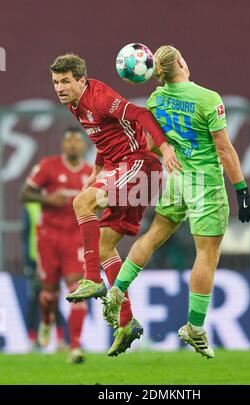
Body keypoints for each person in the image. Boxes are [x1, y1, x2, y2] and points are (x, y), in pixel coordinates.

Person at [102, 45, 250, 359]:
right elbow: (224, 150)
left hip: (176, 180)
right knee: (206, 254)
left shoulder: (156, 100)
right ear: (183, 62)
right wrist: (241, 189)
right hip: (205, 184)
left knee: (153, 236)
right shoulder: (208, 98)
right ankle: (194, 328)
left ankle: (117, 289)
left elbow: (152, 145)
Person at [49, 53, 181, 356]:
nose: (59, 87)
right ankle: (126, 320)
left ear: (81, 80)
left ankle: (92, 279)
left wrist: (164, 147)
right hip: (124, 168)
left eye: (66, 81)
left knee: (82, 202)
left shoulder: (97, 97)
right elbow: (104, 136)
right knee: (106, 245)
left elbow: (141, 115)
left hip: (139, 165)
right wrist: (97, 169)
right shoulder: (74, 103)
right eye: (56, 82)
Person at [20, 128, 92, 363]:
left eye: (77, 142)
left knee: (77, 290)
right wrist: (47, 199)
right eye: (68, 141)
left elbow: (99, 202)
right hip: (48, 240)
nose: (73, 145)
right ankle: (47, 321)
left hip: (75, 240)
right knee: (49, 294)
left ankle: (75, 346)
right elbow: (24, 194)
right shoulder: (48, 166)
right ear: (63, 145)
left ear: (83, 146)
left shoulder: (90, 174)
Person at [22, 202, 66, 351]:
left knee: (54, 299)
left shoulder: (54, 204)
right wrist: (28, 263)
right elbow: (25, 237)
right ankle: (32, 340)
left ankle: (60, 341)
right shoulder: (31, 207)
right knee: (35, 300)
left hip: (52, 259)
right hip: (35, 261)